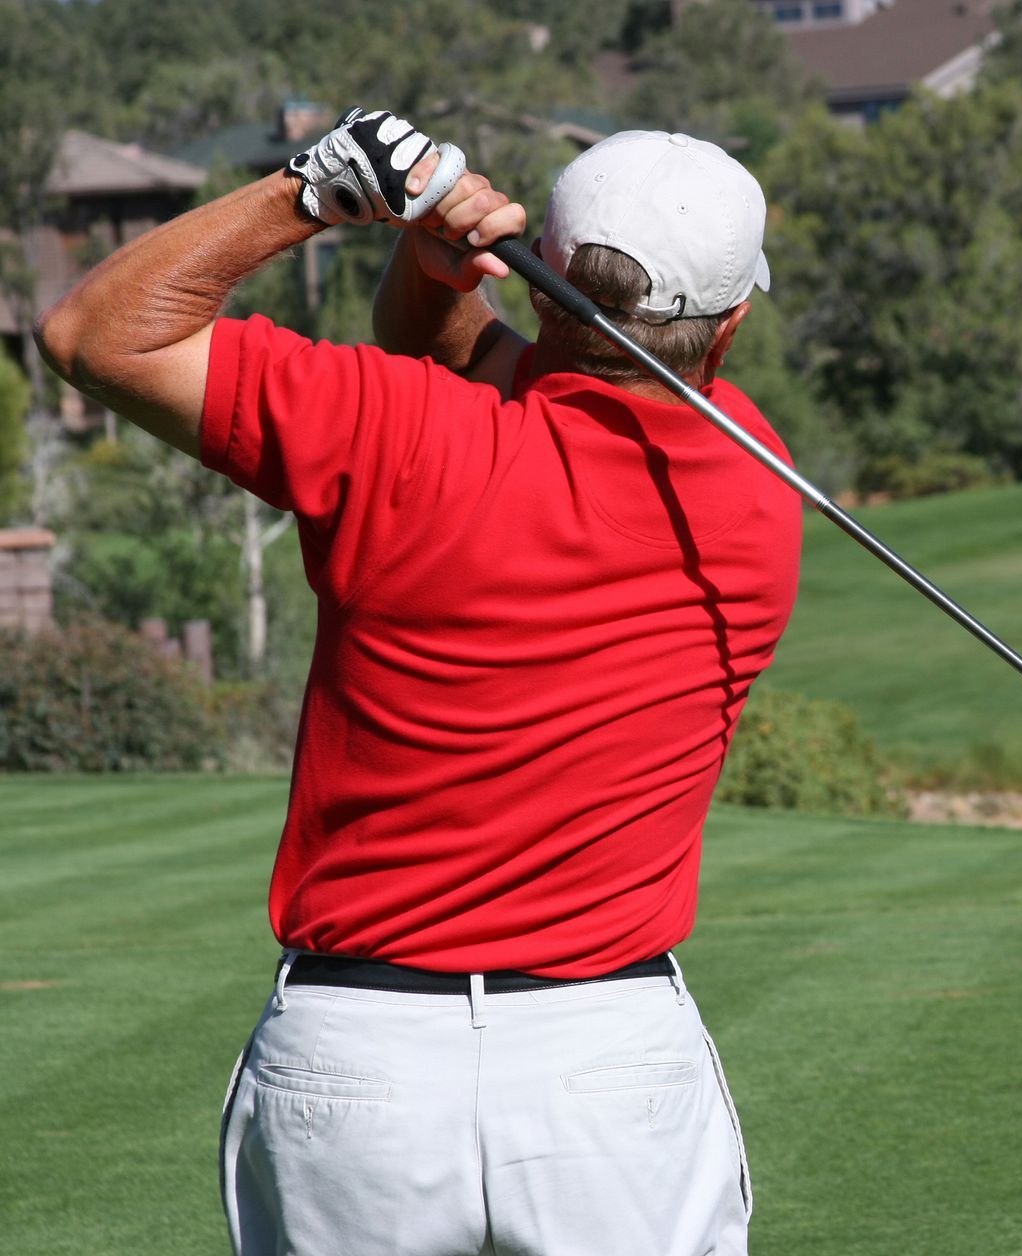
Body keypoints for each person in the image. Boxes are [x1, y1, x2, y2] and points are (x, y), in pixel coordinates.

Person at [36, 108, 800, 1255]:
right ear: (731, 322)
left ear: (542, 285)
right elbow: (465, 348)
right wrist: (434, 263)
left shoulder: (386, 431)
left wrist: (315, 191)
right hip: (612, 1069)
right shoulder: (752, 480)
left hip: (353, 1067)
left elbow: (97, 331)